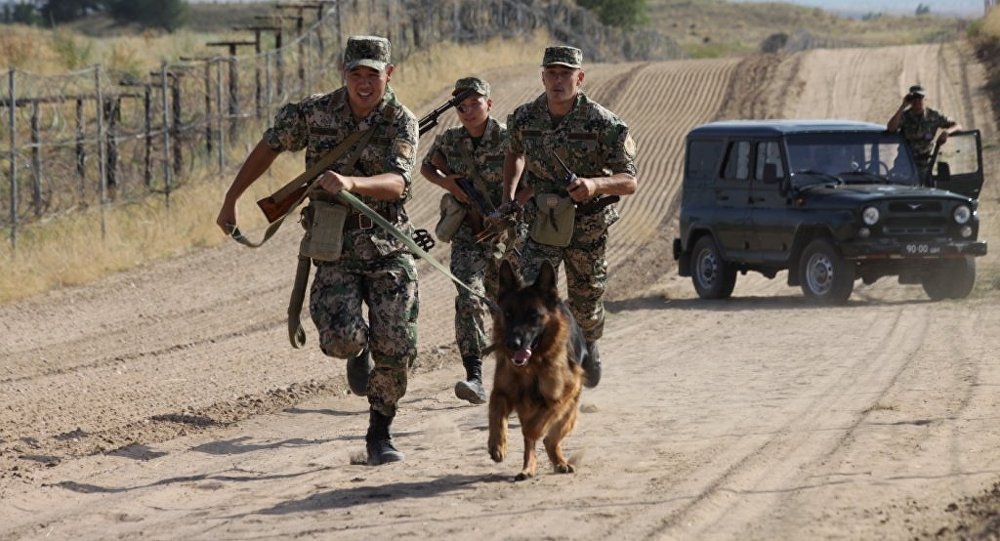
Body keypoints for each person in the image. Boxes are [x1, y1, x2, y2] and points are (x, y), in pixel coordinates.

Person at [215, 35, 419, 466]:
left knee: (397, 345)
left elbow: (399, 183)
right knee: (342, 340)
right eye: (355, 74)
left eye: (373, 75)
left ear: (390, 74)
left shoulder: (401, 120)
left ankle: (379, 432)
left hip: (386, 243)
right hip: (332, 244)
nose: (364, 84)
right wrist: (232, 198)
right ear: (343, 73)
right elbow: (269, 146)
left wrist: (350, 183)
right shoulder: (313, 112)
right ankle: (356, 353)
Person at [500, 45, 637, 389]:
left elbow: (629, 180)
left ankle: (589, 343)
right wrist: (509, 197)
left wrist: (595, 184)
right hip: (541, 223)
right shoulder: (524, 118)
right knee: (532, 298)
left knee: (586, 302)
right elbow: (514, 154)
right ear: (542, 76)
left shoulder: (604, 124)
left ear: (580, 78)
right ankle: (536, 372)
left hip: (586, 227)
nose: (558, 80)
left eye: (566, 74)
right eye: (552, 73)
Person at [420, 77, 526, 405]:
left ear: (489, 104)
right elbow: (426, 167)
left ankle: (521, 373)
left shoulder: (510, 139)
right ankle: (475, 375)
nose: (467, 110)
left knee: (511, 306)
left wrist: (510, 207)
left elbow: (535, 180)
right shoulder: (450, 141)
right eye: (461, 106)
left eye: (474, 103)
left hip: (508, 237)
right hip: (469, 234)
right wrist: (451, 187)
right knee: (468, 296)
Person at [887, 84, 962, 183]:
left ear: (925, 99)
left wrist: (947, 132)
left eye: (920, 98)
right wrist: (903, 106)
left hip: (925, 164)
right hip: (905, 162)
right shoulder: (905, 116)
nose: (917, 101)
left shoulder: (933, 115)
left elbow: (958, 126)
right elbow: (891, 128)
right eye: (914, 98)